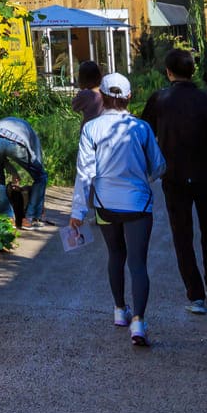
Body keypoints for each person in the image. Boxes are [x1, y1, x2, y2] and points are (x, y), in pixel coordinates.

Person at [142, 47, 207, 315]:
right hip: (205, 175)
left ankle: (195, 295)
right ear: (192, 71)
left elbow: (143, 134)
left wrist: (143, 169)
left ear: (168, 72)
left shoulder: (158, 100)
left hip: (173, 177)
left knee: (182, 236)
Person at [70, 72, 166, 348]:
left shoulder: (91, 129)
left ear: (102, 96)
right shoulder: (141, 128)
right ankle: (138, 322)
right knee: (137, 263)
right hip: (138, 205)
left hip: (105, 206)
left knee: (115, 255)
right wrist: (143, 175)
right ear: (129, 97)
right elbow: (159, 166)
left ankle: (119, 310)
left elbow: (85, 172)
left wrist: (78, 211)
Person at [0, 115, 47, 228]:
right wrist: (40, 202)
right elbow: (37, 158)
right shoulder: (30, 132)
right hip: (14, 143)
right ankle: (29, 219)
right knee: (41, 177)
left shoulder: (5, 122)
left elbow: (0, 146)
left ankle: (7, 218)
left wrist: (12, 171)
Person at [72, 59, 105, 124]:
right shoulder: (105, 92)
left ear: (82, 79)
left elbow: (74, 107)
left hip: (90, 127)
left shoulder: (84, 95)